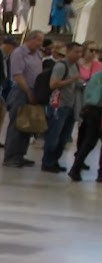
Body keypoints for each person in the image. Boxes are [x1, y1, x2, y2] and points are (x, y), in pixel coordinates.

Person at [3, 30, 44, 168]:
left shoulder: (38, 54)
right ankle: (10, 156)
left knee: (27, 124)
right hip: (21, 91)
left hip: (34, 91)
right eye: (38, 40)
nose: (40, 44)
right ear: (30, 39)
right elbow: (18, 74)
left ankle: (20, 154)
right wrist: (28, 91)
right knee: (17, 123)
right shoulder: (19, 53)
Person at [41, 42, 83, 173]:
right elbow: (53, 84)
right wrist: (71, 80)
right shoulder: (61, 66)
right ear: (69, 51)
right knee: (54, 135)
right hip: (59, 105)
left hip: (71, 106)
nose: (79, 55)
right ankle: (47, 162)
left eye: (80, 52)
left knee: (64, 137)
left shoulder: (75, 66)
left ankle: (55, 160)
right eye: (76, 52)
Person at [69, 71, 102, 181]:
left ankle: (75, 169)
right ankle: (101, 174)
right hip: (98, 111)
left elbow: (88, 93)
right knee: (90, 142)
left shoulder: (96, 76)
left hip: (89, 110)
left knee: (88, 142)